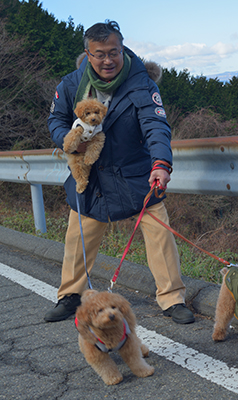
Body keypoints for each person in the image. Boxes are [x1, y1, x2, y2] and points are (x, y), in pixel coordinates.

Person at [45, 20, 194, 325]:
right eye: (99, 54)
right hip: (91, 174)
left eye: (113, 52)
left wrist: (161, 165)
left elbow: (156, 127)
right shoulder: (71, 84)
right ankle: (71, 295)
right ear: (88, 54)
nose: (108, 60)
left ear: (122, 48)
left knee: (159, 234)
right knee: (78, 238)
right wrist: (68, 140)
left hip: (136, 173)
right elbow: (55, 120)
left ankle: (171, 298)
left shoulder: (142, 83)